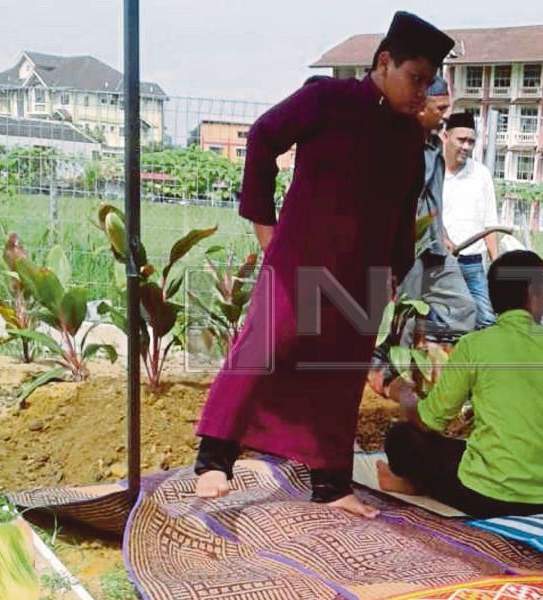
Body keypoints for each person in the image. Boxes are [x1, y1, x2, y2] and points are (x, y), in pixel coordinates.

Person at [192, 11, 454, 518]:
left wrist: (396, 270)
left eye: (427, 82)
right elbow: (264, 138)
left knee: (340, 374)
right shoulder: (325, 99)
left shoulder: (408, 138)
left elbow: (403, 209)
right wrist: (263, 223)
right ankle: (214, 459)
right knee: (261, 349)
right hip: (298, 262)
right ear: (384, 62)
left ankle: (331, 483)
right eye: (414, 78)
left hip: (364, 278)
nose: (421, 92)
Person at [377, 250, 543, 518]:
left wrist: (404, 395)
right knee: (469, 452)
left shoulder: (476, 346)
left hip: (493, 498)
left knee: (401, 437)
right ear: (534, 296)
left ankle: (415, 484)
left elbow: (429, 421)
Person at [397, 78, 476, 338]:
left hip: (436, 252)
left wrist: (443, 235)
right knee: (402, 322)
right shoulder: (400, 147)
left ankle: (429, 347)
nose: (446, 115)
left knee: (464, 310)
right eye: (440, 108)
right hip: (408, 254)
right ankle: (392, 373)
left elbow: (432, 203)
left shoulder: (434, 150)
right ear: (421, 106)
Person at [441, 111, 500, 328]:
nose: (466, 147)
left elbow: (490, 224)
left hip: (472, 263)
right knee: (443, 322)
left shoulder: (481, 174)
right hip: (441, 263)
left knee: (486, 320)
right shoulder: (432, 172)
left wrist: (496, 262)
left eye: (471, 142)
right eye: (461, 140)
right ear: (445, 137)